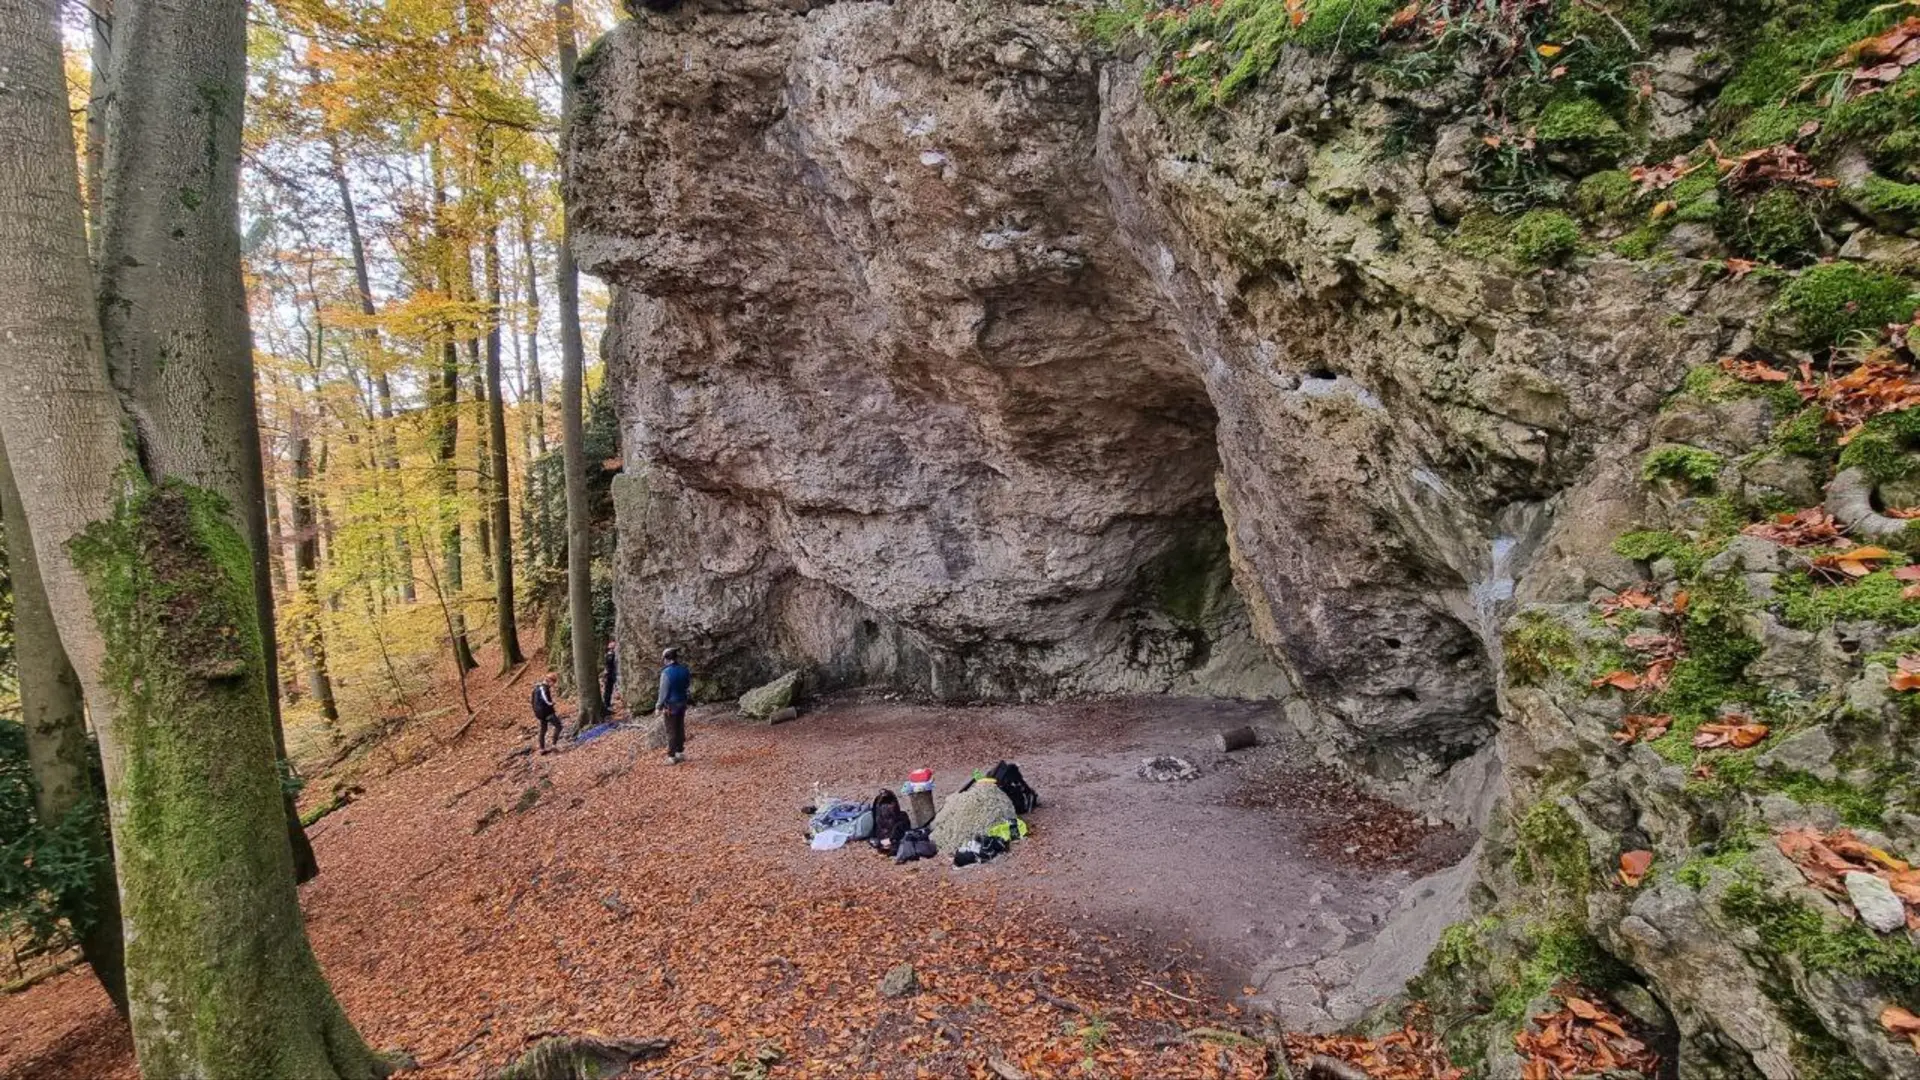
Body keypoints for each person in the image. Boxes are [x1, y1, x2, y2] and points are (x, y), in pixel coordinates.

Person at [655, 647, 691, 765]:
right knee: (680, 727)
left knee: (671, 730)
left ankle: (671, 756)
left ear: (666, 659)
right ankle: (680, 751)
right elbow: (687, 686)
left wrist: (658, 706)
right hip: (682, 702)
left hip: (671, 705)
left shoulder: (666, 673)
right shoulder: (685, 670)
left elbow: (663, 692)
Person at [531, 672, 563, 754]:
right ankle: (553, 745)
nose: (553, 685)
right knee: (559, 726)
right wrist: (551, 703)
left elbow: (532, 701)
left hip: (539, 713)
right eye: (553, 682)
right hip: (547, 712)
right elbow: (545, 698)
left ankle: (542, 749)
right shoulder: (543, 688)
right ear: (549, 681)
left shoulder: (536, 688)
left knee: (543, 730)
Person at [601, 640, 619, 717]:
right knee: (608, 690)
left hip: (612, 674)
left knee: (609, 690)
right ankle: (607, 704)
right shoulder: (609, 655)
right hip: (609, 675)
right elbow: (608, 664)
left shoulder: (611, 654)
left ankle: (607, 704)